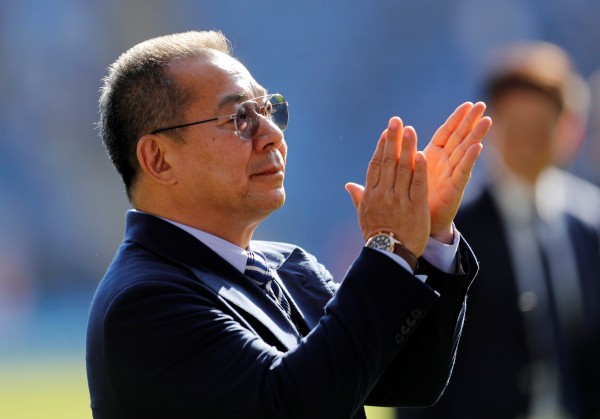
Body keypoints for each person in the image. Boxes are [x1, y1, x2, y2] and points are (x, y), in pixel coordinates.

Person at [85, 30, 492, 419]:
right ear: (158, 159)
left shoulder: (288, 266)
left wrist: (429, 234)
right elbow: (290, 406)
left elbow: (408, 380)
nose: (272, 135)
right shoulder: (143, 302)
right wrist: (389, 249)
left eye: (267, 110)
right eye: (239, 118)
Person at [397, 42, 600, 419]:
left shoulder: (589, 223)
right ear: (492, 127)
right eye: (516, 126)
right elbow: (423, 356)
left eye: (540, 127)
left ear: (566, 128)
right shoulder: (452, 230)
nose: (528, 141)